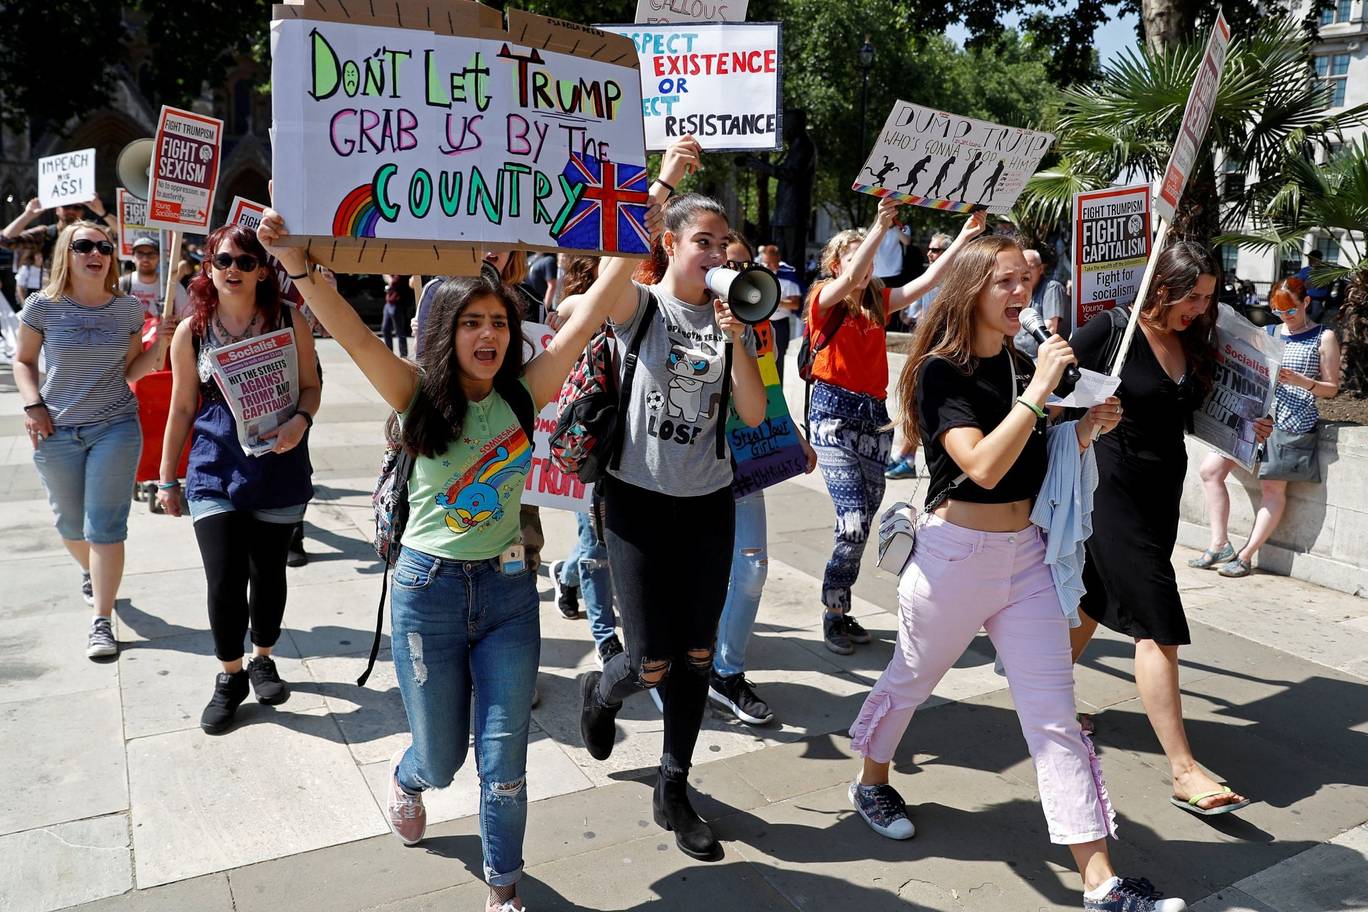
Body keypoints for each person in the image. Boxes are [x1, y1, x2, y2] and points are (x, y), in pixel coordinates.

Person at [258, 182, 649, 912]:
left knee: (504, 764)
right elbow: (349, 329)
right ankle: (408, 780)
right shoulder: (413, 394)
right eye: (472, 322)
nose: (488, 334)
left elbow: (592, 308)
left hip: (507, 599)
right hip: (427, 595)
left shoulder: (526, 395)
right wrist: (295, 258)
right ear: (449, 333)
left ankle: (503, 892)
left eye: (498, 322)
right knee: (442, 761)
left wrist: (639, 213)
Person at [845, 232, 1182, 912]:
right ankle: (872, 778)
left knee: (1055, 717)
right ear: (971, 289)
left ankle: (1101, 883)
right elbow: (983, 466)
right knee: (910, 681)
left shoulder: (1024, 362)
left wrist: (1084, 429)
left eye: (1023, 281)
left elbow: (1033, 458)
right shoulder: (945, 371)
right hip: (952, 561)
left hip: (1024, 558)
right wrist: (1040, 393)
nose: (1020, 293)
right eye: (1004, 282)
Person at [578, 137, 769, 862]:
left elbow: (751, 416)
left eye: (726, 244)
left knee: (695, 653)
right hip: (637, 503)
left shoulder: (733, 320)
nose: (718, 254)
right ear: (670, 243)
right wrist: (662, 178)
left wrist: (743, 341)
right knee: (650, 661)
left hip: (708, 503)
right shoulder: (643, 306)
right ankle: (601, 691)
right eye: (703, 241)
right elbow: (612, 267)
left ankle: (675, 783)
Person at [1069, 241, 1270, 816]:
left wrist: (1248, 423)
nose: (1201, 308)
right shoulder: (1111, 329)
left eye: (1208, 298)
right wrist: (1085, 415)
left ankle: (1044, 701)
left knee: (1093, 598)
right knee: (1157, 622)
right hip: (1109, 488)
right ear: (1162, 287)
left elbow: (1201, 410)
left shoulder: (1193, 342)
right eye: (1193, 296)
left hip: (1161, 494)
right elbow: (1045, 396)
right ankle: (1184, 770)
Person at [155, 225, 320, 734]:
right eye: (223, 260)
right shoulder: (192, 331)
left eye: (246, 262)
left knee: (269, 572)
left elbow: (311, 387)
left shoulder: (291, 321)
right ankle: (230, 676)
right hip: (213, 467)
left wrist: (300, 421)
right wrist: (167, 479)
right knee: (225, 577)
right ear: (208, 267)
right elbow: (182, 407)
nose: (233, 269)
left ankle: (263, 657)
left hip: (279, 463)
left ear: (263, 269)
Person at [806, 199, 985, 654]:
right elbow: (848, 279)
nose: (862, 263)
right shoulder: (823, 298)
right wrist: (880, 227)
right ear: (836, 263)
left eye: (864, 255)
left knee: (864, 522)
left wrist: (965, 236)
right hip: (832, 415)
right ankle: (833, 609)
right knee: (851, 523)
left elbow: (929, 280)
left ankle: (841, 609)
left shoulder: (877, 303)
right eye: (852, 255)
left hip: (872, 418)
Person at [15, 221, 176, 658]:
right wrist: (33, 406)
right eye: (83, 245)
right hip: (56, 429)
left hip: (116, 427)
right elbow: (24, 361)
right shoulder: (41, 307)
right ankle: (92, 570)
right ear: (66, 253)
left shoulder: (126, 311)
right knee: (71, 525)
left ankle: (101, 621)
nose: (96, 252)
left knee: (104, 528)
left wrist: (157, 348)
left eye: (103, 246)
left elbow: (130, 373)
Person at [705, 233, 819, 726]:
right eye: (725, 266)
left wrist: (791, 434)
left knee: (750, 568)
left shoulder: (753, 325)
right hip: (687, 468)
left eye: (742, 265)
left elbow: (767, 383)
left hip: (743, 461)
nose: (737, 275)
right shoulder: (670, 312)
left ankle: (726, 671)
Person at [1192, 276, 1340, 577]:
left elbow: (1332, 388)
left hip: (1293, 419)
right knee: (1210, 471)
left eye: (1291, 311)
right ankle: (1220, 543)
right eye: (1278, 311)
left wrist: (1301, 381)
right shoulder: (1269, 332)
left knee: (1272, 488)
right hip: (1257, 418)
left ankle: (1246, 556)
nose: (1285, 317)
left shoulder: (1323, 337)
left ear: (1306, 303)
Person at [546, 255, 624, 668]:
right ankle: (605, 635)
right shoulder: (578, 306)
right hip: (593, 443)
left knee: (608, 539)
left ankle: (565, 573)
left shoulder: (648, 298)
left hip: (636, 445)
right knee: (595, 541)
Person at [886, 231, 953, 480]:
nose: (929, 253)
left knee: (921, 405)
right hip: (925, 349)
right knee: (914, 404)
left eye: (935, 250)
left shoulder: (955, 281)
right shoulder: (928, 279)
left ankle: (906, 456)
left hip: (941, 353)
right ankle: (906, 457)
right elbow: (910, 312)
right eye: (930, 248)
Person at [3, 196, 113, 261]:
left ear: (83, 211)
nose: (71, 210)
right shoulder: (46, 233)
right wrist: (28, 215)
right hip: (54, 297)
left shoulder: (94, 234)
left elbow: (124, 236)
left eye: (77, 207)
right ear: (57, 209)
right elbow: (5, 240)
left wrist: (102, 212)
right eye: (66, 206)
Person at [1013, 247, 1070, 357]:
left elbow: (1050, 330)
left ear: (1041, 269)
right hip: (1018, 355)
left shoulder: (1052, 288)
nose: (1026, 272)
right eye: (1021, 268)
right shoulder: (1021, 291)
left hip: (1040, 358)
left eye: (1030, 267)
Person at [119, 236, 192, 321]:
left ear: (159, 258)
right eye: (140, 254)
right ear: (133, 257)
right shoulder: (121, 284)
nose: (145, 259)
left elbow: (187, 318)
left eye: (151, 254)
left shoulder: (172, 286)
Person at [757, 243, 802, 380]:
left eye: (771, 263)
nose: (768, 266)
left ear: (778, 260)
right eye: (765, 263)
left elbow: (795, 304)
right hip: (761, 323)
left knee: (777, 361)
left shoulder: (788, 278)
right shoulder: (759, 276)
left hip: (779, 325)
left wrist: (777, 301)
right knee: (761, 362)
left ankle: (775, 397)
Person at [381, 273, 413, 357]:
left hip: (397, 304)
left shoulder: (401, 271)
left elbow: (394, 282)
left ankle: (404, 355)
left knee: (399, 331)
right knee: (385, 329)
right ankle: (389, 354)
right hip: (388, 303)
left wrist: (386, 275)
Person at [1295, 250, 1332, 321]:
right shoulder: (1304, 270)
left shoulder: (1324, 271)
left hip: (1317, 301)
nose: (1310, 261)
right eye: (1309, 259)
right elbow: (1299, 284)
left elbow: (1327, 286)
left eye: (1312, 259)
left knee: (1312, 321)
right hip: (1304, 300)